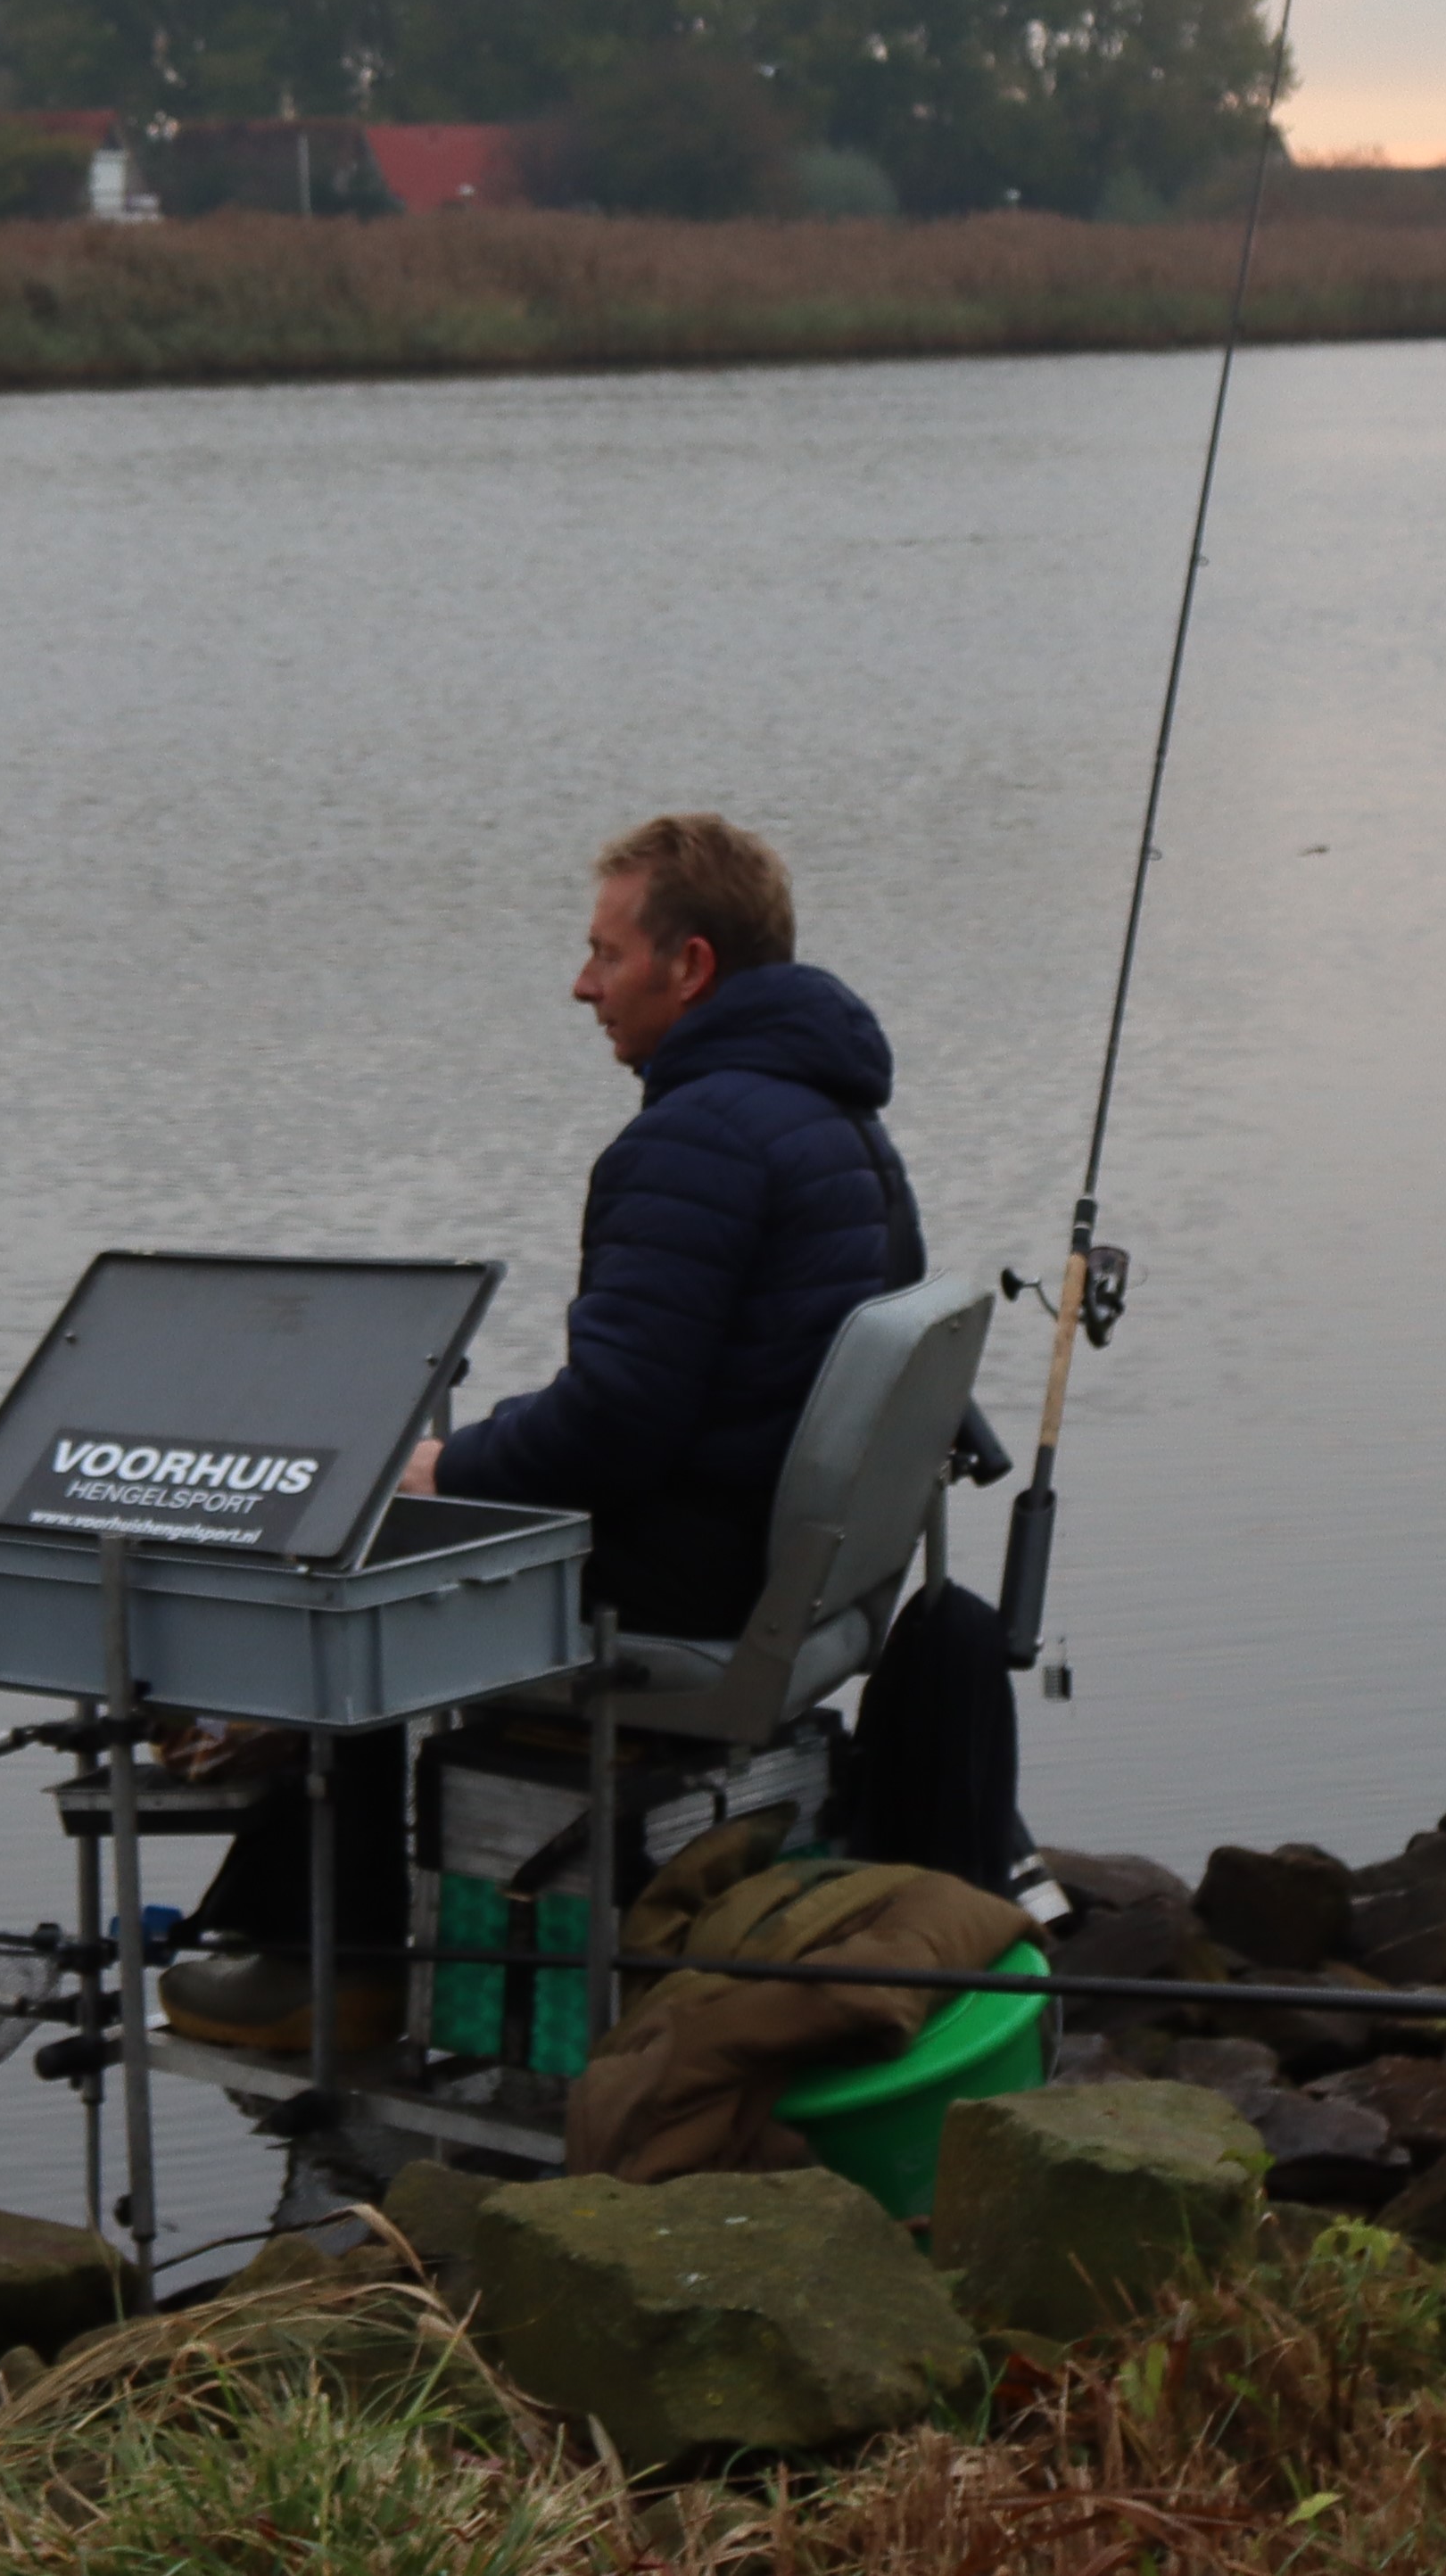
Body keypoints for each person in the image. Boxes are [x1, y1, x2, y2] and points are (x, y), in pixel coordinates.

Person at [162, 813, 920, 2052]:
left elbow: (614, 1425)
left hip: (684, 1580)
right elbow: (665, 1394)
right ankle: (307, 1914)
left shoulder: (693, 1138)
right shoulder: (840, 1121)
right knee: (417, 1508)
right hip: (775, 1559)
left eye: (605, 954)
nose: (582, 985)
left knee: (355, 1554)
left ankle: (328, 1967)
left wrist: (446, 1468)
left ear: (689, 965)